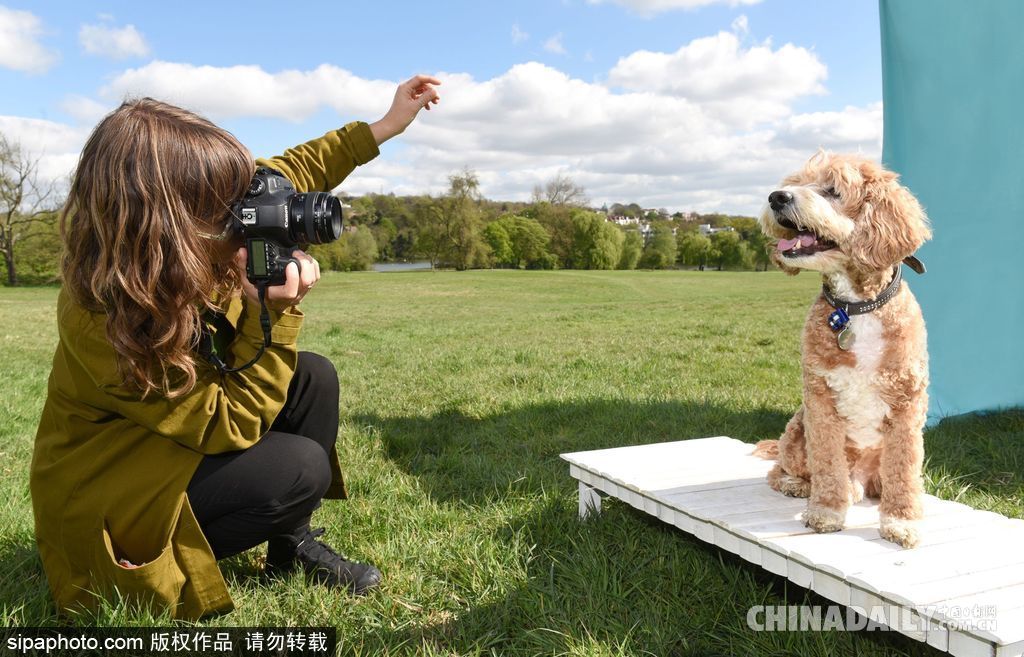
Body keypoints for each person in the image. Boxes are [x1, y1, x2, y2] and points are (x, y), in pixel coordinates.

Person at [29, 75, 440, 621]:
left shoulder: (202, 224)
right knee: (298, 468)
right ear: (165, 226)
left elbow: (295, 169)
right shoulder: (105, 316)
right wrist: (275, 315)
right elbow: (228, 424)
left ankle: (290, 549)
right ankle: (162, 560)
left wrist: (388, 124)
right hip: (112, 488)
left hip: (164, 445)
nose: (244, 216)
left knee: (313, 379)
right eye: (228, 209)